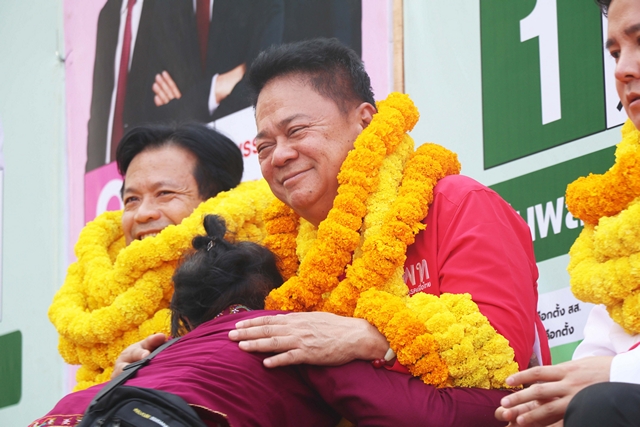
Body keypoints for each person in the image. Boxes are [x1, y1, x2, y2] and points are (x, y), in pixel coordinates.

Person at [116, 37, 550, 421]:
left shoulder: (455, 203)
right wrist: (154, 370)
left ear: (365, 120)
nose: (279, 155)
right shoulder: (281, 254)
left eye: (296, 130)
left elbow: (503, 357)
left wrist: (370, 337)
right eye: (264, 146)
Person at [35, 215, 510, 427]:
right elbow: (421, 417)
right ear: (278, 292)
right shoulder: (289, 335)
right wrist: (514, 401)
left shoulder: (140, 365)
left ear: (184, 319)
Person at [495, 0, 640, 426]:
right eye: (615, 53)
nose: (622, 70)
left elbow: (603, 386)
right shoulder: (624, 218)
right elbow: (592, 361)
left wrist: (617, 374)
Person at [48, 122, 261, 388]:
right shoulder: (99, 293)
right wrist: (118, 390)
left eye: (164, 194)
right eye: (132, 199)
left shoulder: (260, 280)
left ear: (218, 200)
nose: (142, 213)